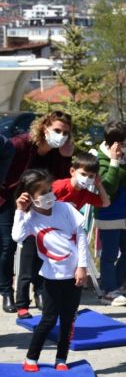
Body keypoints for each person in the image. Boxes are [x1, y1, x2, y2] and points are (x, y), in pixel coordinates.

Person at [15, 152, 110, 319]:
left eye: (91, 176)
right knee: (27, 270)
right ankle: (22, 304)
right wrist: (23, 212)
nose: (87, 178)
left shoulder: (83, 193)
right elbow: (38, 202)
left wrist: (99, 184)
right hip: (37, 231)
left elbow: (105, 202)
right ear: (72, 171)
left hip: (58, 236)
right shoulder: (58, 186)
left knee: (46, 271)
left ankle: (43, 300)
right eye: (83, 174)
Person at [11, 169, 87, 372]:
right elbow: (17, 237)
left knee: (69, 318)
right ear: (31, 197)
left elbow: (81, 237)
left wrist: (82, 266)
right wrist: (20, 210)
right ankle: (31, 358)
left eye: (49, 189)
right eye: (41, 192)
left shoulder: (65, 209)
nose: (48, 195)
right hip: (51, 277)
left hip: (73, 275)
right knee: (48, 319)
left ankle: (61, 358)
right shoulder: (30, 218)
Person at [1, 111, 73, 313]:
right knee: (8, 245)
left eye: (66, 132)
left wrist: (66, 159)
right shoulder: (20, 145)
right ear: (44, 128)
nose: (61, 135)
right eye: (57, 130)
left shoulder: (59, 152)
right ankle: (6, 292)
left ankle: (39, 290)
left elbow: (60, 183)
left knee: (41, 244)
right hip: (7, 199)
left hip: (39, 203)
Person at [96, 121, 126, 307]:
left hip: (125, 214)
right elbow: (108, 187)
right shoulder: (100, 159)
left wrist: (123, 157)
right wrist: (113, 162)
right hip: (109, 215)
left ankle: (117, 285)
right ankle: (108, 290)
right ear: (115, 143)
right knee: (110, 254)